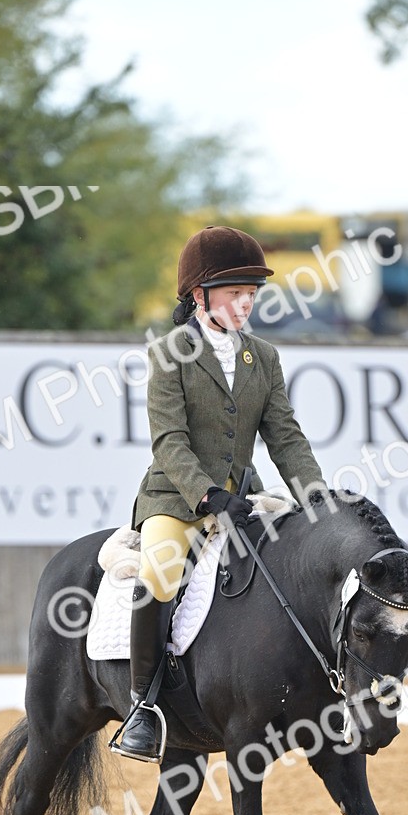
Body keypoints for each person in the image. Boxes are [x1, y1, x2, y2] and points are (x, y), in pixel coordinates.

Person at [113, 224, 328, 762]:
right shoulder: (169, 354)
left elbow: (284, 434)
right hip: (178, 498)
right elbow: (170, 441)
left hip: (244, 499)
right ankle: (144, 705)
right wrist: (207, 495)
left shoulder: (264, 358)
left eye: (252, 293)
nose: (246, 303)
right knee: (162, 570)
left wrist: (315, 496)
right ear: (198, 295)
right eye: (235, 292)